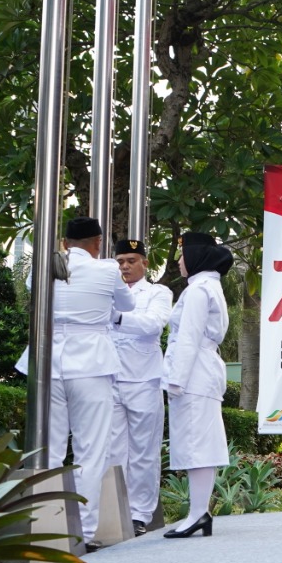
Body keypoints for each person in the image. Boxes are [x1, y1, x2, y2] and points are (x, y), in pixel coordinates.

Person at [16, 216, 134, 554]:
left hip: (49, 359)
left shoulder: (44, 267)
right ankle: (83, 530)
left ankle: (45, 525)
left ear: (65, 242)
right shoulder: (108, 269)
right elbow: (127, 305)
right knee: (91, 450)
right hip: (91, 363)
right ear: (98, 243)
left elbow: (31, 291)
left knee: (47, 448)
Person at [162, 231, 233, 539]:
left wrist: (175, 380)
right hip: (202, 370)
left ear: (195, 258)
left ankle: (198, 514)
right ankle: (199, 512)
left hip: (193, 373)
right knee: (200, 443)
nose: (179, 261)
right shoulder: (208, 286)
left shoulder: (198, 290)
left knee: (196, 445)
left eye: (182, 255)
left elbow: (188, 337)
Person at [108, 238, 174, 536]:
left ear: (145, 263)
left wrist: (119, 318)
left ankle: (140, 514)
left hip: (144, 380)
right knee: (112, 449)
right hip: (109, 377)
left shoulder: (158, 292)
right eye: (120, 261)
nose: (125, 266)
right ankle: (112, 509)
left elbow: (153, 324)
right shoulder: (108, 291)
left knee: (144, 451)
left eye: (131, 261)